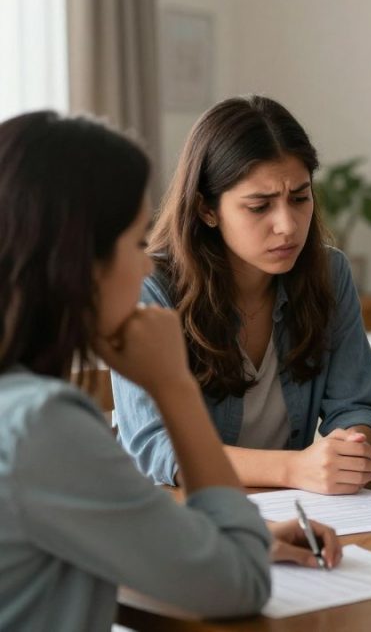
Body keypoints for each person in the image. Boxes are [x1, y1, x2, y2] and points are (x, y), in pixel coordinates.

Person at [0, 111, 340, 630]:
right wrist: (173, 385)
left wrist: (203, 539)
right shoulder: (43, 425)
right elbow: (239, 585)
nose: (145, 265)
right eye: (137, 242)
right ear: (77, 260)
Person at [114, 96, 371, 494]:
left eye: (300, 198)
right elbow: (156, 446)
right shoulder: (149, 288)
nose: (287, 225)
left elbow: (358, 407)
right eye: (259, 207)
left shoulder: (330, 273)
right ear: (207, 210)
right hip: (178, 512)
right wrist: (294, 469)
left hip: (294, 510)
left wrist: (353, 448)